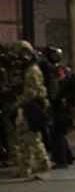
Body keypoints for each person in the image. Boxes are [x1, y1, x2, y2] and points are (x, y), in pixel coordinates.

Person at [10, 40, 51, 180]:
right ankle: (26, 167)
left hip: (31, 107)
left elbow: (31, 93)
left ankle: (41, 164)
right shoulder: (28, 69)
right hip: (29, 106)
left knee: (30, 138)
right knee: (26, 138)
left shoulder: (32, 70)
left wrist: (17, 103)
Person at [41, 45, 75, 168]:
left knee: (56, 132)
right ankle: (67, 157)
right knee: (58, 132)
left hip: (60, 106)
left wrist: (56, 100)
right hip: (63, 105)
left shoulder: (57, 70)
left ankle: (61, 160)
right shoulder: (63, 69)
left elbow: (56, 91)